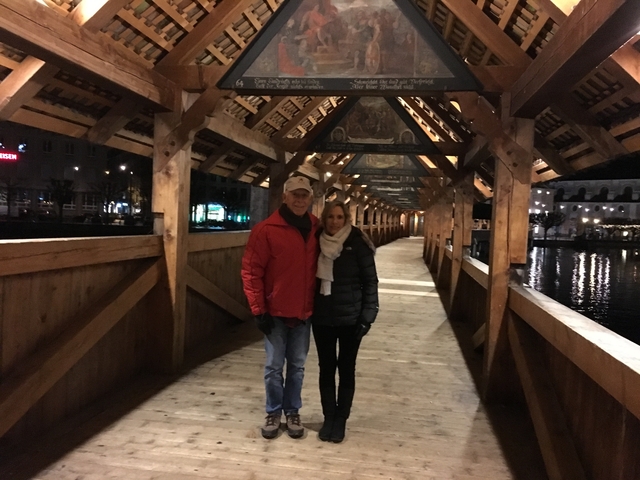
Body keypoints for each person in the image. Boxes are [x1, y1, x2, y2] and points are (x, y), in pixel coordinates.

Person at [241, 175, 319, 440]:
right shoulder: (265, 230)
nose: (299, 200)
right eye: (294, 195)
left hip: (304, 313)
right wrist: (258, 309)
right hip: (274, 313)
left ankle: (292, 411)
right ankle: (273, 411)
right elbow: (251, 272)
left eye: (304, 195)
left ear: (310, 198)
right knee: (274, 367)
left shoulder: (317, 229)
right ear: (284, 196)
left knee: (297, 366)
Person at [312, 200, 378, 443]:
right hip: (322, 317)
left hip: (351, 318)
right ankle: (329, 416)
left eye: (340, 217)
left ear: (346, 219)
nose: (334, 222)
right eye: (330, 217)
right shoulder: (315, 241)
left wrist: (368, 316)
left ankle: (341, 419)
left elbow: (370, 281)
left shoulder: (358, 243)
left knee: (346, 368)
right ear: (324, 218)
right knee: (326, 368)